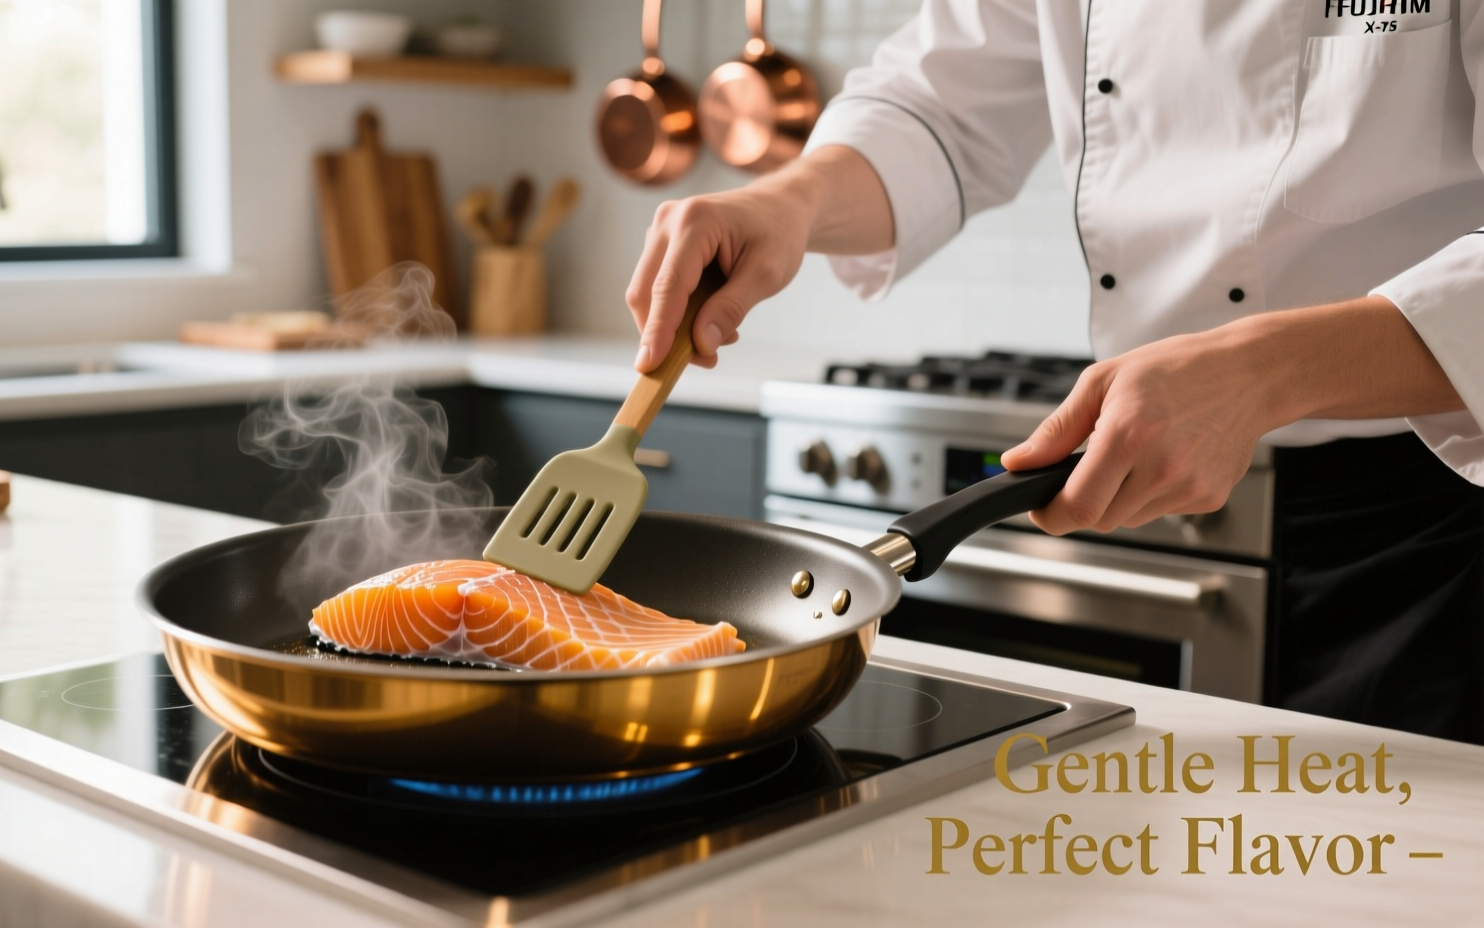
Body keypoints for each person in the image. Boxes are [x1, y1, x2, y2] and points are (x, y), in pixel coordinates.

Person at [627, 1, 1484, 743]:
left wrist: (1262, 372)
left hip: (1430, 519)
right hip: (1150, 444)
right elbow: (937, 108)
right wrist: (792, 199)